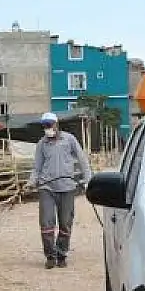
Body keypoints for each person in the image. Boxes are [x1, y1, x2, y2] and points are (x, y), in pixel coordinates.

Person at [26, 112, 91, 269]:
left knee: (65, 223)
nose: (47, 128)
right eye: (45, 126)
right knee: (46, 222)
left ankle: (61, 254)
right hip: (47, 187)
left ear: (56, 124)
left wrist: (88, 179)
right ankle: (50, 255)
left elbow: (82, 159)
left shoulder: (69, 139)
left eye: (50, 125)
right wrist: (31, 182)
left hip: (67, 187)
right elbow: (37, 167)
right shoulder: (42, 144)